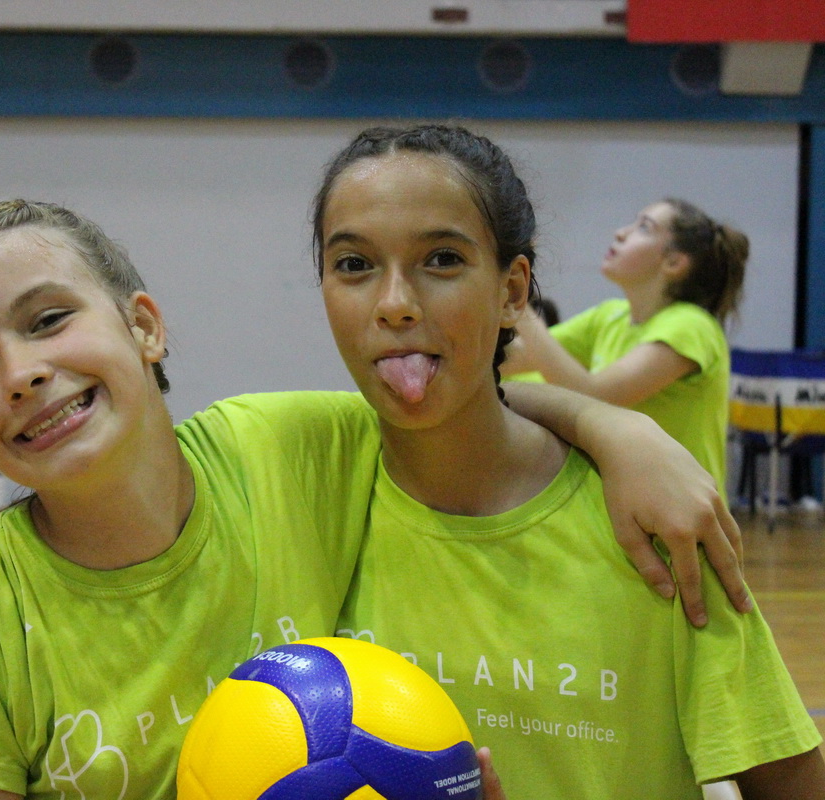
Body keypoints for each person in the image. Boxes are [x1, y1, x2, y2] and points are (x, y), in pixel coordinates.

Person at [0, 194, 751, 797]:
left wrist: (620, 432)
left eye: (47, 320)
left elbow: (455, 411)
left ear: (144, 326)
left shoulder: (288, 448)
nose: (20, 374)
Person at [309, 124, 822, 797]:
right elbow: (526, 371)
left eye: (442, 259)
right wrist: (596, 419)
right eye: (354, 264)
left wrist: (615, 430)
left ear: (513, 291)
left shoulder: (659, 539)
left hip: (661, 505)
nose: (396, 304)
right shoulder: (298, 476)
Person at [504, 198, 748, 499]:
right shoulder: (610, 316)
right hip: (623, 510)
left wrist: (516, 290)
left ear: (673, 263)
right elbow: (519, 357)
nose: (620, 233)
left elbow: (596, 398)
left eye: (644, 227)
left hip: (680, 514)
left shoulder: (692, 326)